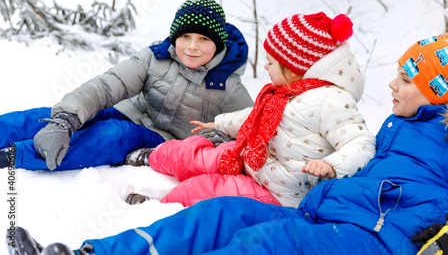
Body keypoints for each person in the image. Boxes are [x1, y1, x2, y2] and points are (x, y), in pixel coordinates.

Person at [7, 32, 448, 255]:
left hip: (373, 242)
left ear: (441, 90)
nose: (391, 85)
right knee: (217, 213)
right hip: (322, 217)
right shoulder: (399, 126)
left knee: (263, 243)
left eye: (406, 80)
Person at [123, 12, 376, 208]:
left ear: (294, 67)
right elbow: (253, 116)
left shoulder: (332, 101)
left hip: (277, 191)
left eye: (271, 62)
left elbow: (361, 143)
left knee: (207, 189)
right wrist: (219, 123)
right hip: (255, 157)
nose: (265, 67)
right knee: (200, 151)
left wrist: (331, 166)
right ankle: (153, 157)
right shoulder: (285, 92)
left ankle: (160, 208)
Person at [0, 0, 253, 171]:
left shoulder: (229, 87)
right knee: (57, 116)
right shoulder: (157, 57)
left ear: (218, 44)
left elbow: (251, 133)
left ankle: (15, 155)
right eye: (185, 36)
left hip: (163, 141)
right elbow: (108, 85)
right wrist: (65, 119)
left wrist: (215, 138)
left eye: (203, 39)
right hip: (128, 112)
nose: (192, 47)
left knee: (114, 135)